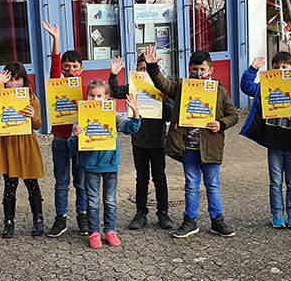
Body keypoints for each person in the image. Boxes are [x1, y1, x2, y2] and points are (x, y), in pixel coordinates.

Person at [143, 46, 239, 238]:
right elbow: (163, 85)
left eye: (202, 70)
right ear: (189, 69)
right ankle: (190, 220)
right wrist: (152, 67)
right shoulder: (182, 86)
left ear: (210, 70)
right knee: (191, 184)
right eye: (194, 70)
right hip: (188, 146)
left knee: (212, 184)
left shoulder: (219, 90)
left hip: (211, 147)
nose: (198, 73)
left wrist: (220, 124)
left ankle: (217, 220)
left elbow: (233, 115)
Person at [239, 52, 291, 229]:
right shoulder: (267, 86)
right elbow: (247, 87)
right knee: (275, 182)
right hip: (273, 143)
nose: (280, 71)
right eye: (276, 68)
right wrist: (253, 69)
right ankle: (277, 213)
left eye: (284, 67)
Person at [69, 81, 141, 248]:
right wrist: (76, 136)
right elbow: (71, 147)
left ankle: (110, 230)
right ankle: (94, 232)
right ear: (86, 98)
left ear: (107, 97)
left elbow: (131, 128)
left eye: (99, 96)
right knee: (92, 201)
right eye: (91, 96)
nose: (95, 99)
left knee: (110, 200)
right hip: (90, 166)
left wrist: (136, 112)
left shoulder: (113, 115)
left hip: (110, 165)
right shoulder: (81, 117)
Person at [108, 55, 175, 230]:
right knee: (141, 178)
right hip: (139, 140)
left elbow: (169, 116)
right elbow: (114, 92)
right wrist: (114, 74)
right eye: (140, 68)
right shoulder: (133, 87)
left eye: (147, 69)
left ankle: (163, 213)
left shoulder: (163, 88)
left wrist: (165, 98)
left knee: (160, 178)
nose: (143, 72)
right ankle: (140, 213)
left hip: (158, 141)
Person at [43, 22, 89, 237]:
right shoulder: (57, 84)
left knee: (81, 181)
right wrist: (56, 41)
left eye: (74, 67)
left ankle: (83, 215)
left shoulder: (86, 89)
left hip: (80, 140)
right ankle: (60, 218)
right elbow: (54, 65)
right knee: (61, 182)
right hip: (60, 140)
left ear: (81, 69)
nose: (70, 70)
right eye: (67, 67)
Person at [0, 62, 46, 238]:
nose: (14, 83)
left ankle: (38, 220)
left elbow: (38, 125)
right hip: (8, 144)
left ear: (24, 80)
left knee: (32, 183)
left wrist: (33, 117)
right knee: (9, 185)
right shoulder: (0, 95)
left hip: (26, 143)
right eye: (10, 80)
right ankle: (9, 223)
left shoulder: (31, 98)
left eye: (18, 79)